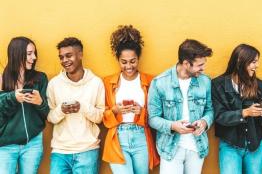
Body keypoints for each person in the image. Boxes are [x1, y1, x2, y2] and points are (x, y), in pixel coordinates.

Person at [148, 39, 213, 174]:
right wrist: (173, 126)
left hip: (197, 147)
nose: (203, 68)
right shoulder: (160, 83)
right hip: (170, 148)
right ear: (186, 63)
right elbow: (152, 118)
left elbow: (209, 110)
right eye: (199, 65)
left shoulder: (205, 81)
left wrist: (204, 122)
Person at [102, 25, 159, 174]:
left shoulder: (151, 81)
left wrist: (141, 111)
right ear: (118, 60)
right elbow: (102, 113)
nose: (128, 66)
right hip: (118, 137)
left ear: (138, 59)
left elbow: (156, 115)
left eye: (133, 61)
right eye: (124, 62)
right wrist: (114, 110)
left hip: (141, 136)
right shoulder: (108, 82)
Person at [47, 37, 105, 174]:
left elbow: (100, 117)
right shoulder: (54, 84)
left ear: (80, 55)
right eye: (61, 57)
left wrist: (82, 107)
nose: (64, 61)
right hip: (60, 151)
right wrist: (61, 110)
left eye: (69, 56)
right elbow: (50, 117)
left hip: (87, 150)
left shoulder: (96, 83)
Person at [212, 44, 262, 174]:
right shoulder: (218, 85)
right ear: (240, 61)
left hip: (255, 145)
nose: (257, 65)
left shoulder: (260, 85)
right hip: (230, 145)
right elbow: (219, 116)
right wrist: (245, 112)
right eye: (253, 62)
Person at [0, 36, 49, 174]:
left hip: (32, 144)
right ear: (16, 54)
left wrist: (40, 103)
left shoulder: (40, 78)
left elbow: (47, 114)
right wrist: (12, 97)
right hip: (5, 146)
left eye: (34, 53)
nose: (34, 57)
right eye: (29, 54)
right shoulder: (2, 80)